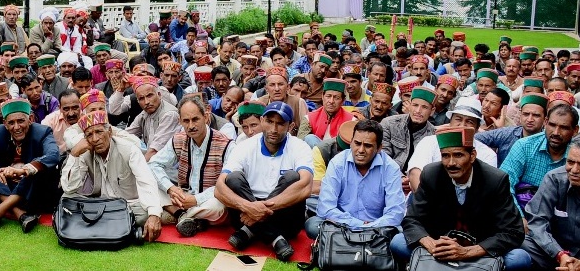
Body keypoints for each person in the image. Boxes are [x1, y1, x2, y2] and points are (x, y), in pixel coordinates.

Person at [389, 127, 532, 270]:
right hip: (439, 246)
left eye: (458, 155)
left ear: (472, 155)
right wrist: (431, 244)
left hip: (479, 250)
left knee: (518, 258)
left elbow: (513, 232)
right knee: (398, 242)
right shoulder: (431, 174)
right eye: (445, 156)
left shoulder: (495, 180)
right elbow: (412, 219)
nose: (451, 163)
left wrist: (466, 252)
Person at [215, 102, 313, 262]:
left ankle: (249, 231)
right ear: (262, 120)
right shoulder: (244, 146)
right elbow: (219, 188)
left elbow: (306, 186)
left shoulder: (300, 147)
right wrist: (248, 207)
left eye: (280, 123)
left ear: (291, 126)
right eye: (269, 122)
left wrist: (259, 211)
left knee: (292, 178)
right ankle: (275, 238)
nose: (274, 129)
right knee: (232, 178)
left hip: (285, 217)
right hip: (245, 211)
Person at [60, 110, 163, 242]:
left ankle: (93, 226)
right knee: (66, 197)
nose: (95, 139)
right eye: (89, 135)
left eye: (99, 132)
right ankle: (122, 228)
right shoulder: (84, 152)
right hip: (99, 203)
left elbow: (146, 181)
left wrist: (154, 214)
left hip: (127, 205)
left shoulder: (129, 149)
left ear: (109, 132)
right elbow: (69, 188)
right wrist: (74, 154)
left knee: (144, 214)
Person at [0, 99, 61, 234]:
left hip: (34, 194)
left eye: (21, 121)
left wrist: (22, 171)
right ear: (5, 124)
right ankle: (20, 214)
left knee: (41, 168)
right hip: (8, 186)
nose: (16, 127)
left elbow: (54, 155)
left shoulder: (42, 132)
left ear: (30, 119)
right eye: (11, 123)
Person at [148, 96, 234, 237]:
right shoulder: (179, 139)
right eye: (186, 121)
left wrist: (196, 200)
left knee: (218, 207)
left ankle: (180, 215)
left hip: (209, 199)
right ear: (180, 121)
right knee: (151, 181)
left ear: (206, 117)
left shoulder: (225, 144)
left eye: (195, 119)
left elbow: (227, 183)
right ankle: (189, 218)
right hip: (182, 196)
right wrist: (171, 189)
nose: (191, 126)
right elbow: (153, 164)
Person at [304, 119, 405, 238]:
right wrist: (359, 225)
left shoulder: (391, 168)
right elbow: (325, 208)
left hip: (377, 228)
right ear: (351, 143)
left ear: (379, 149)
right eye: (357, 143)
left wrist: (371, 226)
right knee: (313, 225)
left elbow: (395, 213)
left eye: (368, 146)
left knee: (399, 235)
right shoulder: (338, 163)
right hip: (342, 225)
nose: (361, 150)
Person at [521, 136, 580, 270]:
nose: (574, 170)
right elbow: (537, 222)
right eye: (570, 162)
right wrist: (561, 255)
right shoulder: (554, 179)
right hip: (554, 253)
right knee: (521, 242)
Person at [407, 97, 498, 192]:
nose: (462, 125)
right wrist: (427, 201)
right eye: (458, 119)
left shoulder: (487, 154)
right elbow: (415, 173)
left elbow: (484, 188)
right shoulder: (429, 142)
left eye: (469, 122)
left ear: (477, 127)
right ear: (450, 122)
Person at [500, 103, 580, 212]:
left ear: (575, 130)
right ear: (545, 123)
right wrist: (519, 218)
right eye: (552, 125)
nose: (556, 132)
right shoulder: (524, 146)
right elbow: (505, 185)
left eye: (564, 127)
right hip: (521, 213)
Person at [476, 92, 547, 165]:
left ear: (545, 120)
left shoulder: (549, 142)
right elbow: (475, 139)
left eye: (536, 115)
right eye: (526, 114)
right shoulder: (507, 133)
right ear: (520, 115)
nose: (529, 119)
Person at [381, 86, 436, 176]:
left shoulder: (433, 136)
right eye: (415, 105)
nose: (418, 111)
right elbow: (383, 157)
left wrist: (412, 180)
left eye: (424, 107)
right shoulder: (389, 124)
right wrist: (400, 177)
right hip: (388, 176)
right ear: (409, 105)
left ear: (432, 111)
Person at [298, 78, 354, 147]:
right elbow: (299, 143)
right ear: (322, 96)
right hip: (315, 155)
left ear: (343, 101)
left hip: (340, 155)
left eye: (336, 98)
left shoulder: (351, 120)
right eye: (328, 96)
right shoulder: (309, 118)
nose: (331, 101)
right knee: (310, 138)